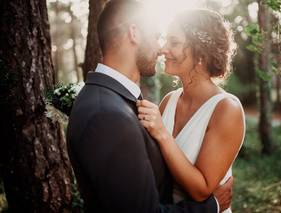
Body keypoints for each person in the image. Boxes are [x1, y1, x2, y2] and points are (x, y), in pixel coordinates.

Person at [67, 1, 232, 212]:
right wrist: (211, 206)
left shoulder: (114, 101)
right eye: (156, 36)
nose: (161, 48)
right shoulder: (107, 116)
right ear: (134, 33)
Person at [137, 9, 245, 213]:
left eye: (174, 42)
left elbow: (201, 191)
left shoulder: (226, 109)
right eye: (165, 41)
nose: (163, 49)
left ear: (201, 53)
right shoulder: (170, 100)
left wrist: (161, 134)